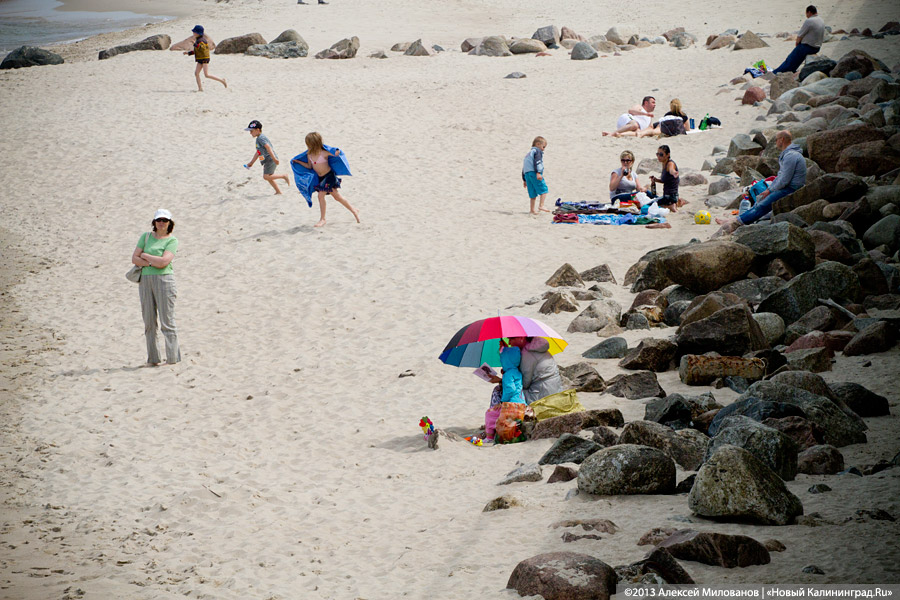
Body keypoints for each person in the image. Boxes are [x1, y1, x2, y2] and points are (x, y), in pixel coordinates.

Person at [715, 131, 806, 234]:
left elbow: (784, 180)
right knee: (760, 199)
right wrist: (769, 189)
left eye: (776, 139)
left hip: (792, 189)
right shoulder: (789, 154)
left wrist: (770, 190)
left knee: (762, 205)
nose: (775, 142)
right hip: (788, 186)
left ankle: (735, 224)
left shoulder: (791, 156)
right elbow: (781, 177)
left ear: (782, 140)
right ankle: (736, 219)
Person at [131, 209, 180, 366]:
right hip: (146, 280)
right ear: (154, 222)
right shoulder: (145, 237)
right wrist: (152, 262)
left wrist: (145, 256)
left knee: (167, 321)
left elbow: (164, 262)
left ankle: (172, 359)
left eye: (165, 220)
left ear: (169, 223)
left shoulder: (172, 241)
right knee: (149, 321)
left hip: (164, 280)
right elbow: (134, 258)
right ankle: (153, 359)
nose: (161, 223)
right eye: (159, 220)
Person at [291, 132, 360, 228]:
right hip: (320, 178)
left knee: (320, 196)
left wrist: (337, 152)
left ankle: (322, 219)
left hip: (329, 176)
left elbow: (335, 153)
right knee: (337, 197)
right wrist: (298, 161)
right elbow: (309, 166)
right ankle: (353, 209)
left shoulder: (324, 153)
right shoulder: (309, 154)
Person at [170, 25, 227, 92]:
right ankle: (200, 88)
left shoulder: (202, 40)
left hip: (205, 59)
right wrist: (188, 53)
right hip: (200, 59)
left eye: (194, 32)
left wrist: (195, 44)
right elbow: (197, 51)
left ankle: (222, 80)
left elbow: (201, 48)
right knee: (196, 73)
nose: (193, 33)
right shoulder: (198, 40)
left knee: (206, 75)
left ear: (198, 33)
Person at [773, 6, 825, 74]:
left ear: (809, 12)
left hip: (808, 47)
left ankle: (776, 72)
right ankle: (792, 69)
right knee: (796, 58)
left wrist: (797, 43)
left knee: (790, 59)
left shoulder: (809, 21)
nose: (806, 15)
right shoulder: (821, 20)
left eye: (806, 13)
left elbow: (800, 35)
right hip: (817, 47)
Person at [244, 120, 290, 195]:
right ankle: (278, 191)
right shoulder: (258, 139)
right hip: (267, 160)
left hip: (270, 159)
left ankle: (284, 176)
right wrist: (251, 162)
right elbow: (258, 152)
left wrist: (274, 159)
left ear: (257, 130)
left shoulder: (260, 138)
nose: (250, 133)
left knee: (266, 176)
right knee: (269, 177)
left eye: (251, 131)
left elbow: (268, 148)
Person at [648, 144, 684, 211]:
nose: (658, 156)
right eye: (657, 154)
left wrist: (673, 172)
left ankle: (671, 206)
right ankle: (674, 203)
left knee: (648, 206)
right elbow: (665, 181)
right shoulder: (664, 163)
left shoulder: (670, 164)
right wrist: (655, 180)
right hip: (669, 196)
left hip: (670, 197)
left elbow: (671, 169)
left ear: (668, 155)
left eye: (661, 154)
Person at [522, 136, 549, 214]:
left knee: (532, 193)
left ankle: (532, 210)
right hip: (534, 173)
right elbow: (538, 162)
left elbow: (524, 167)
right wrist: (538, 172)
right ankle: (541, 205)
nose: (543, 149)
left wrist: (524, 179)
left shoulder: (528, 154)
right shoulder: (537, 151)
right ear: (538, 144)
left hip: (527, 174)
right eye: (543, 147)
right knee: (544, 189)